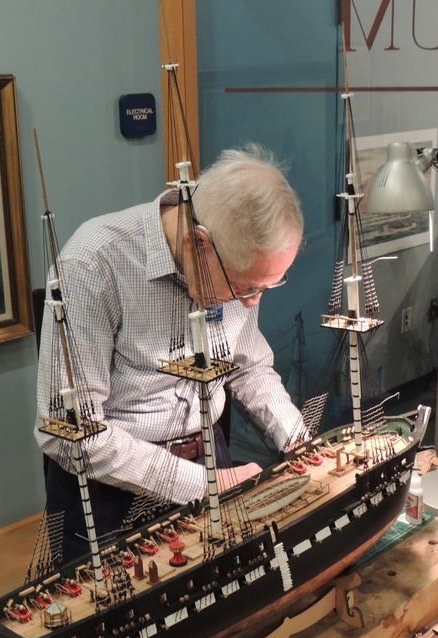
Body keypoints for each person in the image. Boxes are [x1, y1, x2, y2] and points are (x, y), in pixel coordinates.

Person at [36, 144, 309, 562]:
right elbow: (70, 434)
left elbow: (248, 366)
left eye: (266, 287)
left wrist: (298, 441)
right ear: (198, 243)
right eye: (245, 287)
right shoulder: (91, 267)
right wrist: (199, 484)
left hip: (210, 455)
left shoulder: (233, 255)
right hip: (110, 490)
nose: (252, 303)